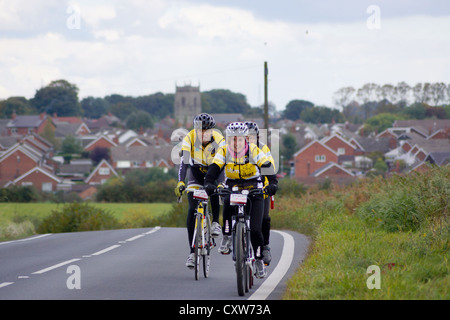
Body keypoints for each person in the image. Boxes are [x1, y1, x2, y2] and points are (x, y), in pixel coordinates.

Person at [204, 122, 278, 279]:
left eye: (238, 139)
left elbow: (267, 168)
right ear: (227, 139)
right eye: (231, 139)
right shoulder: (223, 151)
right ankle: (227, 236)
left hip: (254, 187)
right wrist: (209, 183)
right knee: (227, 204)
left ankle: (258, 260)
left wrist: (272, 184)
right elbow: (214, 169)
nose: (235, 143)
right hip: (233, 185)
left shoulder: (253, 150)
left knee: (256, 230)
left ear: (245, 139)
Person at [174, 113, 225, 269]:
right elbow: (184, 164)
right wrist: (181, 182)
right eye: (199, 130)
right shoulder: (189, 139)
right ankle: (192, 252)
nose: (202, 133)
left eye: (206, 130)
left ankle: (215, 222)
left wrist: (221, 183)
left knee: (215, 190)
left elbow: (222, 164)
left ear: (211, 130)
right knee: (191, 211)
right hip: (196, 175)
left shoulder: (218, 140)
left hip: (214, 172)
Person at [244, 121, 275, 266]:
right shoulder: (238, 149)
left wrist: (268, 184)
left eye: (252, 136)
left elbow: (269, 166)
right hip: (244, 187)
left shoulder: (263, 148)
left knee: (264, 218)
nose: (249, 139)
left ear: (257, 136)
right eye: (246, 136)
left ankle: (265, 247)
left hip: (262, 186)